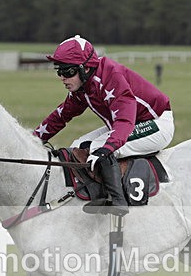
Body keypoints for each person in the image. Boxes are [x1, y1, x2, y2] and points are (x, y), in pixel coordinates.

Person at [33, 35, 174, 216]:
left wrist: (107, 147)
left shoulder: (111, 78)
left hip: (155, 124)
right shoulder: (83, 87)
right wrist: (33, 139)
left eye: (67, 72)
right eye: (58, 71)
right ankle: (95, 192)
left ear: (84, 69)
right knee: (79, 146)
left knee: (100, 147)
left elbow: (125, 121)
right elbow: (62, 115)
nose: (62, 77)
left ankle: (117, 201)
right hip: (128, 123)